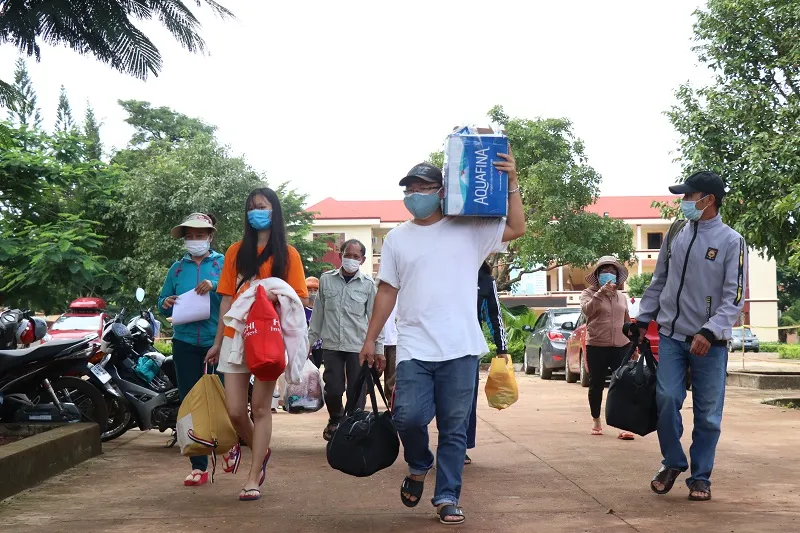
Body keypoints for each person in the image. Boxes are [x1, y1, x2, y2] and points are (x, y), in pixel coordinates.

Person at [359, 155, 525, 525]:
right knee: (407, 417)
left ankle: (447, 496)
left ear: (442, 192)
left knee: (454, 429)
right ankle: (419, 463)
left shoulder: (469, 229)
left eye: (424, 187)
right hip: (414, 345)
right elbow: (387, 290)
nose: (415, 194)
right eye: (410, 189)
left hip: (461, 347)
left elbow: (517, 227)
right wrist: (370, 339)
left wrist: (512, 181)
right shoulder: (397, 239)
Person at [637, 171, 747, 502]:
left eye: (689, 196)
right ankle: (672, 462)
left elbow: (735, 297)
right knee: (667, 399)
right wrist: (642, 319)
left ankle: (700, 478)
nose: (684, 202)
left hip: (710, 343)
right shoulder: (676, 233)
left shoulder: (731, 241)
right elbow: (659, 280)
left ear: (708, 200)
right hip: (672, 335)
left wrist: (711, 331)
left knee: (708, 415)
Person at [204, 187, 309, 501]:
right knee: (236, 411)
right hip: (237, 335)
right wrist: (217, 342)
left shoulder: (288, 254)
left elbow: (300, 298)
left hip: (269, 337)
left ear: (274, 211)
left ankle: (252, 478)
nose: (256, 212)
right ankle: (260, 451)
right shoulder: (236, 252)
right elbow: (226, 300)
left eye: (262, 207)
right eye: (251, 207)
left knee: (261, 408)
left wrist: (274, 294)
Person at [157, 213, 224, 487]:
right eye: (190, 236)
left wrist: (215, 286)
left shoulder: (222, 264)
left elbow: (237, 293)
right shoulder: (176, 269)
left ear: (210, 236)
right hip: (184, 342)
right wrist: (166, 302)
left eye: (200, 235)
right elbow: (162, 300)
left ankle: (226, 447)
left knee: (220, 399)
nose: (195, 240)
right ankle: (198, 465)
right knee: (190, 402)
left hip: (216, 341)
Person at [308, 239, 382, 441]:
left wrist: (379, 349)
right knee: (332, 388)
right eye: (347, 255)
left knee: (357, 391)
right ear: (341, 256)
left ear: (363, 260)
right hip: (332, 345)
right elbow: (318, 315)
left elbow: (375, 319)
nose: (351, 259)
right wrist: (308, 343)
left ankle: (353, 427)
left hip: (358, 347)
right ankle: (336, 418)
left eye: (356, 256)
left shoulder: (368, 285)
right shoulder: (326, 280)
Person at [579, 256, 635, 441]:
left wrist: (633, 344)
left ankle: (621, 425)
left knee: (621, 385)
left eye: (612, 271)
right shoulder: (588, 293)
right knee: (596, 384)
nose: (608, 274)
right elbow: (588, 311)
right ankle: (596, 419)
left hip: (621, 345)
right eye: (604, 271)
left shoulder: (622, 297)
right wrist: (600, 293)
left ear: (617, 276)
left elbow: (626, 321)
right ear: (597, 275)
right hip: (597, 345)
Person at [465, 261, 509, 465]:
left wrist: (502, 349)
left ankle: (460, 446)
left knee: (466, 401)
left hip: (469, 350)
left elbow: (494, 314)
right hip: (436, 347)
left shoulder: (485, 281)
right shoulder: (443, 269)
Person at [380, 302, 398, 408]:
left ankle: (392, 401)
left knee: (392, 373)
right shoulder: (375, 292)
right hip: (378, 339)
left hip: (395, 339)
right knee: (373, 372)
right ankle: (359, 398)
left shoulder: (400, 295)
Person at [304, 277, 324, 369]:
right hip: (307, 345)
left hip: (320, 346)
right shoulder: (302, 309)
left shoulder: (322, 308)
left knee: (317, 368)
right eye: (309, 290)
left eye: (315, 290)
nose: (312, 293)